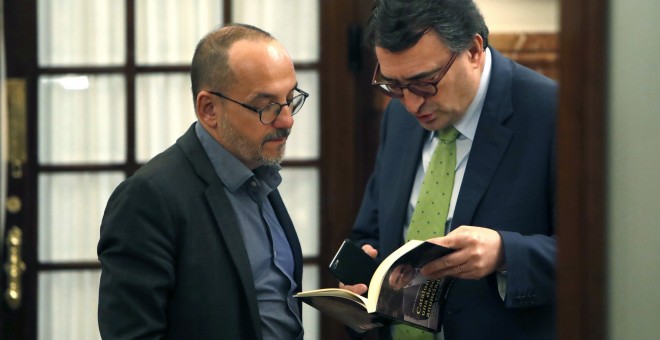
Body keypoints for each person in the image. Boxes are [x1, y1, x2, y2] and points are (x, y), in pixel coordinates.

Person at [346, 0, 557, 339]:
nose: (412, 103)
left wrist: (505, 253)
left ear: (473, 50)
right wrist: (362, 268)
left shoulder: (552, 114)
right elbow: (371, 230)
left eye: (424, 82)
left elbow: (601, 257)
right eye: (393, 84)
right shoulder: (399, 116)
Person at [97, 24, 309, 339]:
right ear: (209, 109)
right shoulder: (149, 198)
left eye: (290, 98)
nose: (287, 120)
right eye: (266, 106)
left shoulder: (260, 173)